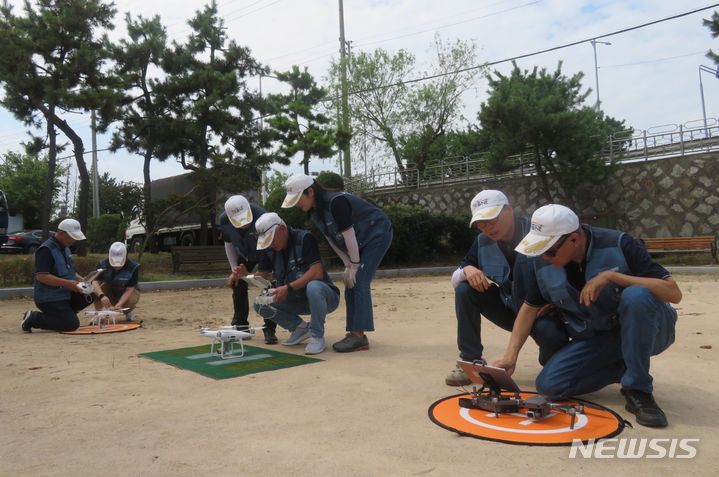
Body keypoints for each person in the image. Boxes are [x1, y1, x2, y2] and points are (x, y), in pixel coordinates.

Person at [494, 204, 681, 428]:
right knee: (549, 386)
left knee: (637, 295)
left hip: (652, 329)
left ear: (573, 239)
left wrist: (614, 277)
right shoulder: (541, 262)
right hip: (602, 337)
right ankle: (627, 365)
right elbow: (529, 308)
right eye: (539, 249)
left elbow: (673, 292)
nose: (544, 257)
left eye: (550, 250)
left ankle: (638, 390)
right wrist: (510, 357)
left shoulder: (620, 243)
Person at [446, 190, 568, 386]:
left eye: (492, 220)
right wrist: (467, 269)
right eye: (481, 224)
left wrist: (559, 302)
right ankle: (469, 360)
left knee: (552, 344)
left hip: (542, 315)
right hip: (510, 309)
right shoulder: (482, 242)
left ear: (509, 209)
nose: (488, 228)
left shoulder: (538, 231)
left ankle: (553, 363)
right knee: (465, 290)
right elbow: (455, 279)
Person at [281, 173, 393, 353]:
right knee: (350, 282)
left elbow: (348, 235)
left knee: (360, 280)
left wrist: (355, 266)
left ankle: (359, 337)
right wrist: (348, 264)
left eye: (298, 198)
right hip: (359, 241)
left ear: (310, 191)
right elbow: (332, 239)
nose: (296, 203)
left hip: (377, 234)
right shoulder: (314, 212)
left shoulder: (336, 202)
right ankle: (353, 332)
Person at [250, 213, 340, 355]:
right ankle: (299, 328)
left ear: (282, 229)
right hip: (295, 298)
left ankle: (317, 336)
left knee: (314, 286)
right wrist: (244, 275)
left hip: (324, 297)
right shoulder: (270, 249)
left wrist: (288, 287)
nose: (271, 244)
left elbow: (317, 272)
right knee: (259, 302)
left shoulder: (304, 238)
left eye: (272, 239)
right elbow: (262, 275)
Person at [220, 195, 278, 344]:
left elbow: (272, 245)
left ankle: (269, 327)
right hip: (245, 253)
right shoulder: (224, 220)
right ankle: (241, 325)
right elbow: (228, 243)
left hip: (267, 252)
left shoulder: (262, 217)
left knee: (266, 284)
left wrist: (264, 273)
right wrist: (234, 270)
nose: (244, 224)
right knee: (237, 282)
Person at [21, 218, 95, 333]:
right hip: (49, 297)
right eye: (71, 236)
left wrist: (81, 279)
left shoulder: (65, 249)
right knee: (71, 325)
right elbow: (41, 276)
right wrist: (67, 284)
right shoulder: (46, 250)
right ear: (60, 233)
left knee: (90, 294)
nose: (74, 240)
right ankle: (33, 318)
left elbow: (69, 270)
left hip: (64, 294)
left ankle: (63, 315)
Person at [90, 242, 141, 321]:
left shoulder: (133, 267)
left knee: (131, 300)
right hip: (110, 288)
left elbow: (130, 289)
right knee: (95, 292)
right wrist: (101, 296)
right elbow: (95, 281)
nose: (117, 267)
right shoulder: (102, 264)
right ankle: (100, 314)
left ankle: (128, 311)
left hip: (125, 290)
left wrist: (119, 304)